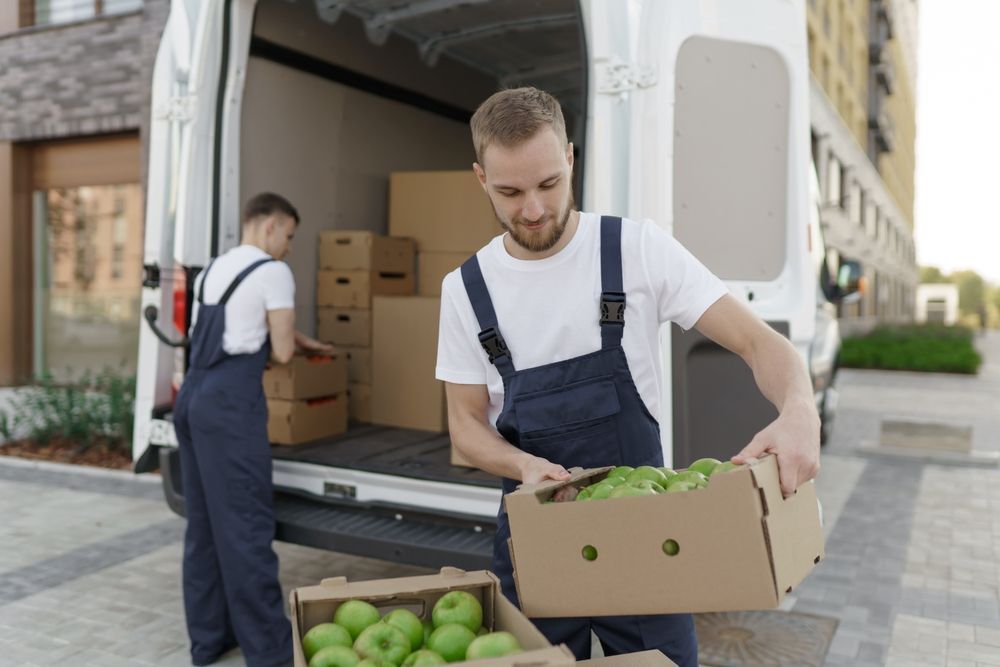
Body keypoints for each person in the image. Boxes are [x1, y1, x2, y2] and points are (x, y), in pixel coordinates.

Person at [435, 88, 821, 667]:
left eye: (547, 184)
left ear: (570, 158)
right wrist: (523, 466)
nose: (534, 210)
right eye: (510, 192)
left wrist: (798, 410)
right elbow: (464, 425)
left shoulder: (634, 250)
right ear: (480, 178)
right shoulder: (466, 290)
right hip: (536, 542)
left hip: (651, 544)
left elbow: (758, 342)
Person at [174, 193, 334, 667]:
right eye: (288, 236)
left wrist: (301, 339)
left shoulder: (212, 270)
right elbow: (280, 350)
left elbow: (242, 326)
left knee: (203, 531)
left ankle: (208, 642)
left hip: (194, 399)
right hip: (229, 407)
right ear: (270, 227)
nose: (287, 247)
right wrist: (300, 341)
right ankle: (270, 654)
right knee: (245, 529)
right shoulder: (272, 271)